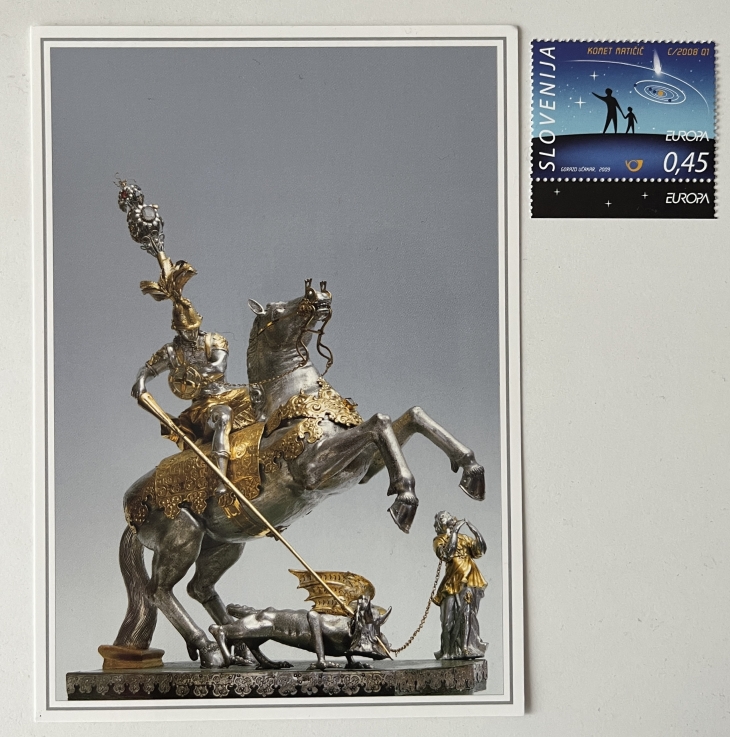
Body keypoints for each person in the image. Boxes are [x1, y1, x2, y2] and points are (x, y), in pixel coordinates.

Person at [131, 256, 255, 495]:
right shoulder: (172, 351)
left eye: (191, 329)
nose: (188, 335)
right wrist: (141, 381)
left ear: (199, 323)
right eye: (183, 331)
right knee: (222, 416)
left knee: (260, 395)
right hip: (203, 408)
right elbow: (148, 368)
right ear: (176, 329)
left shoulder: (214, 341)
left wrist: (188, 372)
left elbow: (218, 367)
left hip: (229, 394)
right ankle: (221, 480)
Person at [432, 511, 487, 660]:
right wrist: (455, 533)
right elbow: (447, 554)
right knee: (447, 620)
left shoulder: (465, 538)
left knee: (466, 615)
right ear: (440, 525)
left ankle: (466, 648)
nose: (448, 518)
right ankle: (447, 651)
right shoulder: (439, 540)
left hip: (468, 580)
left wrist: (475, 531)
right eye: (443, 518)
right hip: (450, 583)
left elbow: (480, 550)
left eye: (448, 516)